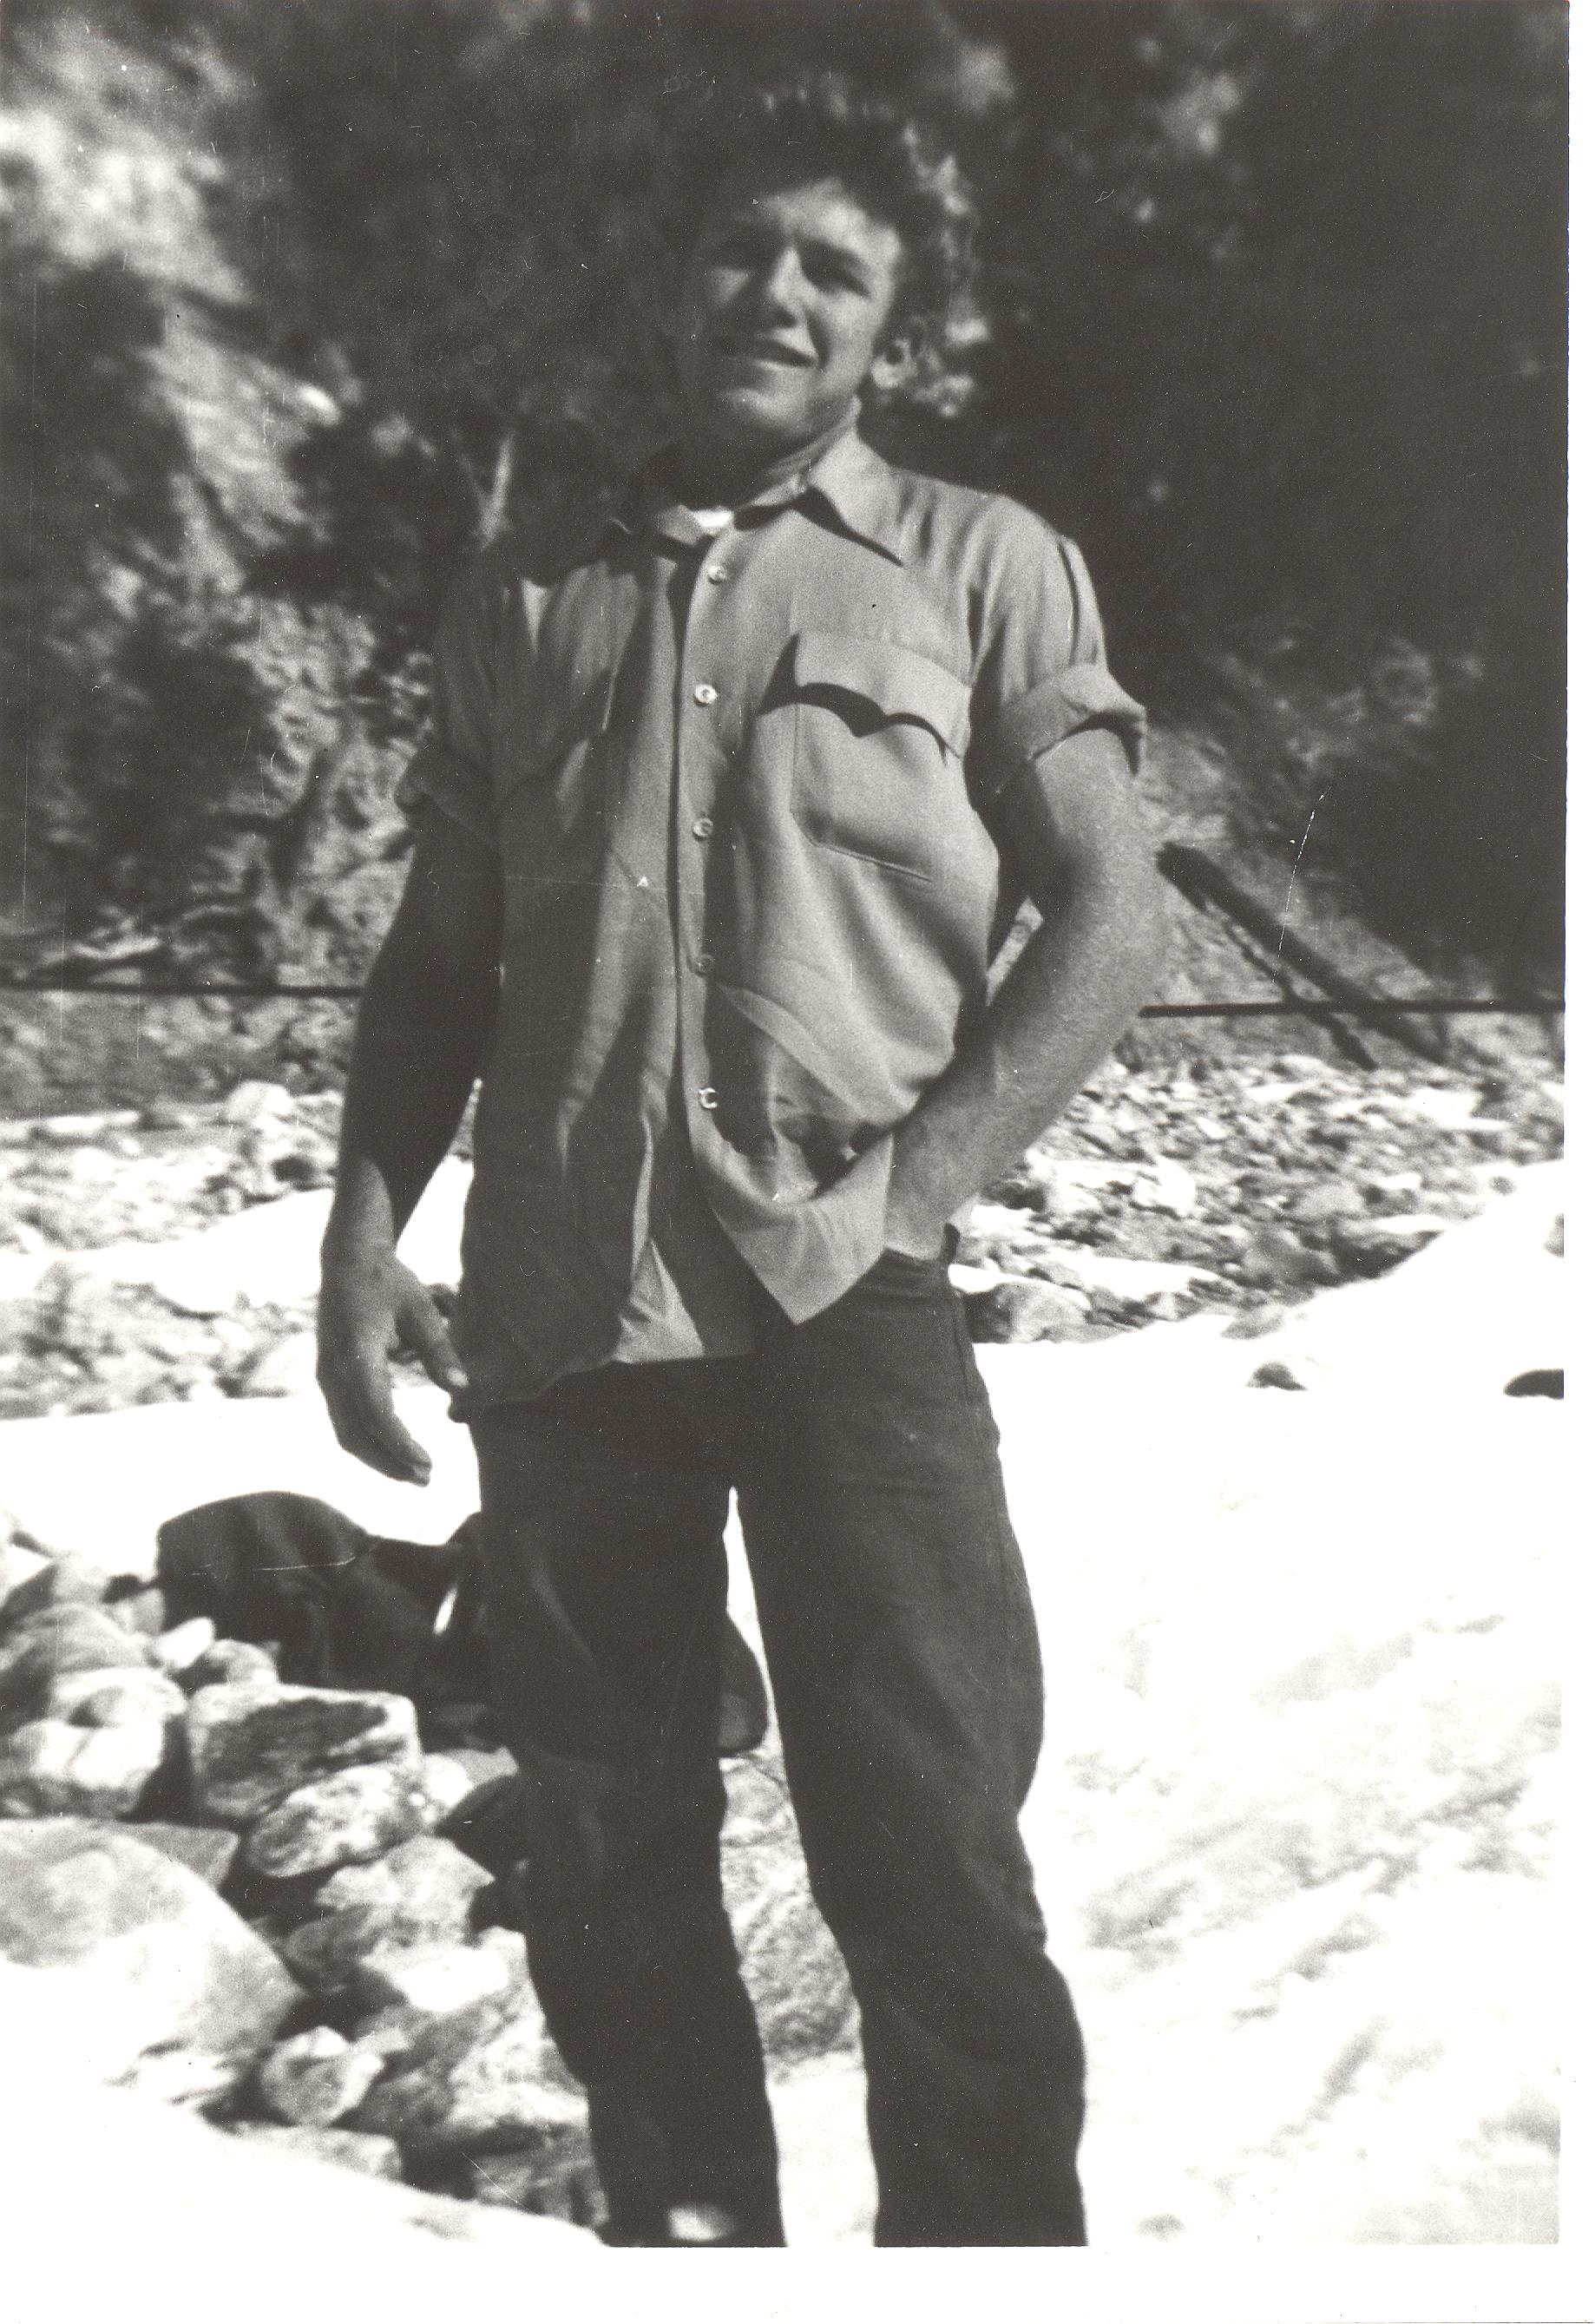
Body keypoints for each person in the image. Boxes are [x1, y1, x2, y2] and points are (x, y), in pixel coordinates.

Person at [318, 72, 1166, 2248]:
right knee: (609, 1865)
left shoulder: (981, 566)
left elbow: (1113, 915)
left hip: (845, 1301)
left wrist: (917, 1189)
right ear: (669, 278)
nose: (777, 293)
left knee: (932, 1858)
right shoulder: (523, 592)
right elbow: (436, 962)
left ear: (890, 327)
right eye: (740, 247)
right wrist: (360, 1236)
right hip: (560, 1309)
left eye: (834, 269)